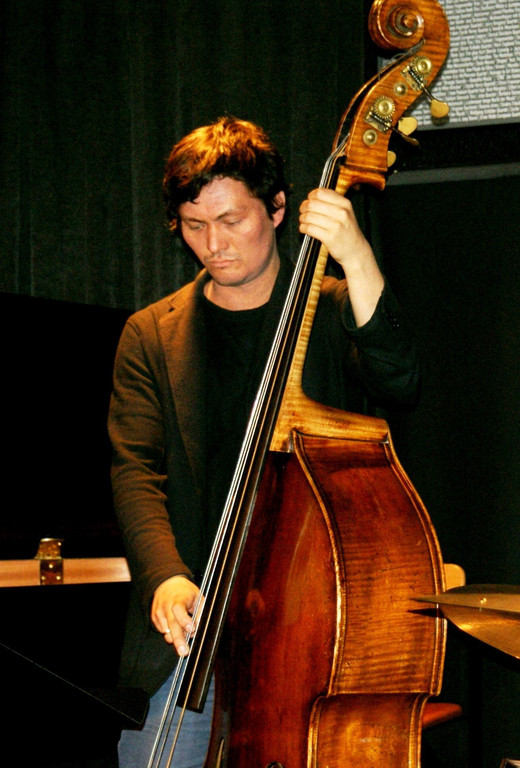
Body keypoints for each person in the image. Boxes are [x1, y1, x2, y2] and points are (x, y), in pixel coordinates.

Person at [108, 115, 419, 767]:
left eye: (231, 220)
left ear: (277, 209)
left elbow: (400, 380)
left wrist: (357, 256)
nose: (213, 243)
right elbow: (135, 472)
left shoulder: (329, 311)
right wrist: (165, 578)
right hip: (190, 630)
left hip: (309, 631)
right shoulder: (150, 335)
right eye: (194, 225)